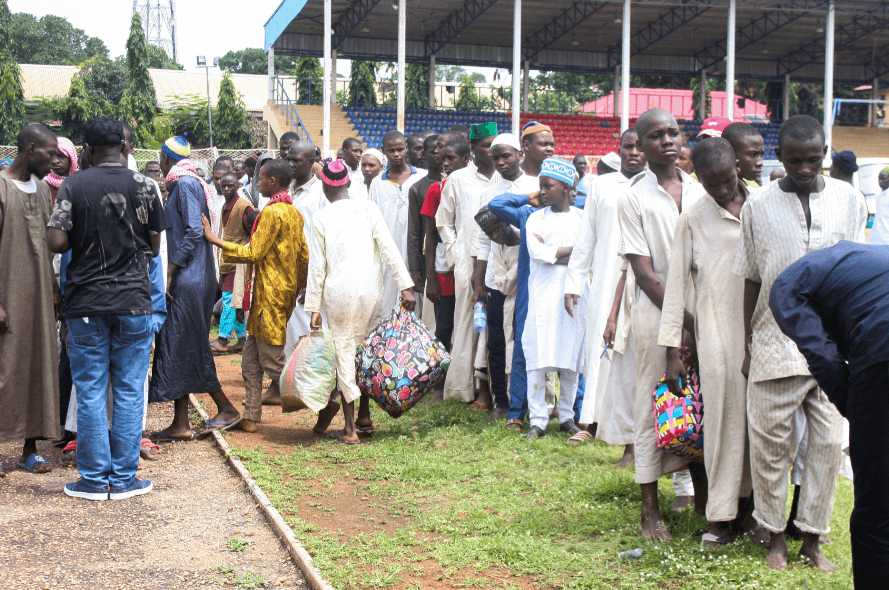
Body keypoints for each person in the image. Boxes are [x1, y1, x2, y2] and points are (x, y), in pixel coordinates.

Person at [733, 114, 868, 571]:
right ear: (781, 157)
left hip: (832, 346)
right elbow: (750, 277)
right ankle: (773, 536)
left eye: (813, 160)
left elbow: (855, 274)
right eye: (794, 160)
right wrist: (748, 343)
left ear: (825, 155)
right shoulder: (758, 205)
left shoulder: (850, 200)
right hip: (773, 341)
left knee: (828, 446)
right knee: (771, 446)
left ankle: (812, 538)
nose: (804, 169)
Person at [47, 117, 166, 500]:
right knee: (131, 390)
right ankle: (126, 478)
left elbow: (56, 242)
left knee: (91, 389)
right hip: (134, 302)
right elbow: (155, 248)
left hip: (85, 305)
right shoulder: (147, 187)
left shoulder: (74, 184)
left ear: (88, 150)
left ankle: (95, 480)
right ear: (125, 148)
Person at [769, 241, 889, 588]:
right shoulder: (868, 259)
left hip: (881, 352)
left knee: (876, 510)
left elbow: (824, 357)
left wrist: (857, 409)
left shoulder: (785, 287)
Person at [617, 108, 707, 541]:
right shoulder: (633, 197)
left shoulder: (701, 189)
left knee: (702, 406)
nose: (667, 141)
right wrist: (685, 326)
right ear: (641, 144)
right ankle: (649, 511)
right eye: (656, 136)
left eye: (673, 133)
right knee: (653, 404)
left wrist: (699, 322)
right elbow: (644, 272)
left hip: (706, 315)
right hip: (657, 317)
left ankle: (708, 504)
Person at [658, 137, 752, 546]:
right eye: (711, 184)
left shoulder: (764, 205)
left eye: (727, 180)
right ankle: (720, 516)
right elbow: (675, 286)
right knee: (723, 427)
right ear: (700, 179)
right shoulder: (693, 218)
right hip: (717, 338)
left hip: (765, 332)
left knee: (762, 428)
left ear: (738, 167)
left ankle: (756, 515)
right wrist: (671, 352)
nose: (722, 190)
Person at [305, 159, 417, 443]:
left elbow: (317, 267)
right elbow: (389, 248)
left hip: (340, 291)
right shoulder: (369, 208)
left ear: (325, 187)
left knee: (344, 350)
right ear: (348, 182)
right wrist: (405, 287)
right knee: (366, 350)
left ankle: (349, 428)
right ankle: (365, 417)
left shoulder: (322, 217)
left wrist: (313, 307)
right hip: (371, 289)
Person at [202, 159, 307, 434]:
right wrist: (300, 287)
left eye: (260, 179)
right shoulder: (293, 212)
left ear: (272, 181)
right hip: (273, 294)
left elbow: (254, 253)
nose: (256, 183)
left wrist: (216, 241)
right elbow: (303, 255)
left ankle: (321, 398)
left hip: (269, 296)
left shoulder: (273, 214)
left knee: (273, 361)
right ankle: (250, 417)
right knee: (249, 361)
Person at [149, 135, 241, 441]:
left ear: (165, 159)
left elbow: (191, 231)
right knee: (179, 344)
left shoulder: (185, 185)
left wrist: (172, 269)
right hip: (193, 276)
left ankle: (226, 408)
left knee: (189, 345)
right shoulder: (188, 184)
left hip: (189, 278)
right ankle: (181, 423)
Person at [564, 127, 645, 460]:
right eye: (628, 146)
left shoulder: (654, 186)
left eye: (640, 147)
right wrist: (574, 282)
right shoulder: (602, 185)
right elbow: (587, 237)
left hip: (642, 281)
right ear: (619, 150)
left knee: (635, 353)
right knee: (601, 349)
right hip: (606, 281)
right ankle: (594, 420)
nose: (634, 153)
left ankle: (633, 431)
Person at [0, 123, 61, 479]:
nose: (54, 160)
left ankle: (29, 449)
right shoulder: (2, 188)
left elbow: (45, 243)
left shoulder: (41, 189)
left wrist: (53, 289)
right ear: (29, 150)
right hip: (8, 295)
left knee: (39, 367)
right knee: (5, 370)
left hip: (38, 298)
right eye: (49, 152)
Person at [472, 134, 539, 417]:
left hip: (527, 270)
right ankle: (501, 401)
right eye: (495, 157)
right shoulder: (488, 192)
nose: (500, 162)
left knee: (525, 338)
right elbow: (483, 241)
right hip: (495, 275)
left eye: (506, 156)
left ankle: (525, 401)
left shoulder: (534, 187)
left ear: (519, 154)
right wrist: (478, 283)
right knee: (496, 340)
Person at [497, 121, 555, 432]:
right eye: (543, 144)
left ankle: (567, 411)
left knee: (567, 349)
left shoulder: (567, 199)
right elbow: (495, 206)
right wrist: (532, 197)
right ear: (526, 148)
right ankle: (516, 411)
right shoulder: (524, 196)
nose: (549, 149)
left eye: (552, 144)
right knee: (523, 346)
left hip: (561, 286)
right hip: (527, 284)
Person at [435, 122, 500, 403]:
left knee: (493, 324)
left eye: (495, 145)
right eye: (487, 145)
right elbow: (443, 222)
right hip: (465, 261)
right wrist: (454, 251)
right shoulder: (458, 179)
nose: (493, 150)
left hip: (498, 260)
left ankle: (494, 389)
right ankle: (463, 388)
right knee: (467, 321)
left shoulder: (504, 177)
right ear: (473, 149)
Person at [521, 159, 585, 439]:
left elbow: (587, 255)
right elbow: (537, 253)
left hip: (575, 296)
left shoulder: (583, 219)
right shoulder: (536, 218)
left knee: (572, 358)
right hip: (543, 295)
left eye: (548, 186)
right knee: (537, 357)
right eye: (541, 186)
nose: (543, 192)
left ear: (566, 188)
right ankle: (538, 419)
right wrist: (573, 253)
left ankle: (568, 417)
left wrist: (559, 253)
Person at [420, 133, 462, 403]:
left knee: (469, 326)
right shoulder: (436, 189)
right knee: (444, 327)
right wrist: (431, 279)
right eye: (442, 158)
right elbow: (430, 236)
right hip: (444, 270)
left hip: (470, 267)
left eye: (451, 158)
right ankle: (439, 386)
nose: (445, 163)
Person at [282, 141, 327, 367]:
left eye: (296, 160)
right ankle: (290, 384)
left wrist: (311, 277)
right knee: (290, 330)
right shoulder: (285, 189)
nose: (290, 164)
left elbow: (321, 239)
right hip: (286, 271)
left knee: (309, 330)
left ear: (311, 162)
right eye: (288, 159)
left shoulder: (320, 193)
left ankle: (315, 385)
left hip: (310, 273)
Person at [369, 130, 422, 313]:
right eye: (391, 151)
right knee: (388, 305)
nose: (396, 154)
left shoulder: (421, 177)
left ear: (406, 148)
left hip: (416, 254)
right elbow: (373, 221)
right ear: (383, 151)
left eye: (400, 149)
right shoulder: (377, 183)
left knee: (418, 306)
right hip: (388, 255)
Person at [209, 172, 254, 354]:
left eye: (230, 186)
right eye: (223, 185)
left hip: (240, 260)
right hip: (228, 260)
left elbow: (253, 231)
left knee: (229, 299)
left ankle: (223, 339)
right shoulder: (225, 205)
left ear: (237, 186)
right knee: (235, 300)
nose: (226, 189)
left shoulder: (244, 206)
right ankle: (242, 339)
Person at [407, 135, 441, 310]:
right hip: (426, 260)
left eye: (439, 149)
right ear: (424, 155)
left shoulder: (453, 183)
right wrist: (414, 269)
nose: (436, 154)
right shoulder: (417, 188)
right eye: (431, 151)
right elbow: (414, 232)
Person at [722, 122, 765, 187]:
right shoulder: (705, 193)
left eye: (761, 155)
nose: (760, 163)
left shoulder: (755, 189)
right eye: (753, 155)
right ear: (729, 154)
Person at [871, 167, 889, 245]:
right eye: (879, 179)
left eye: (883, 179)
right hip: (876, 239)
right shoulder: (878, 196)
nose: (880, 181)